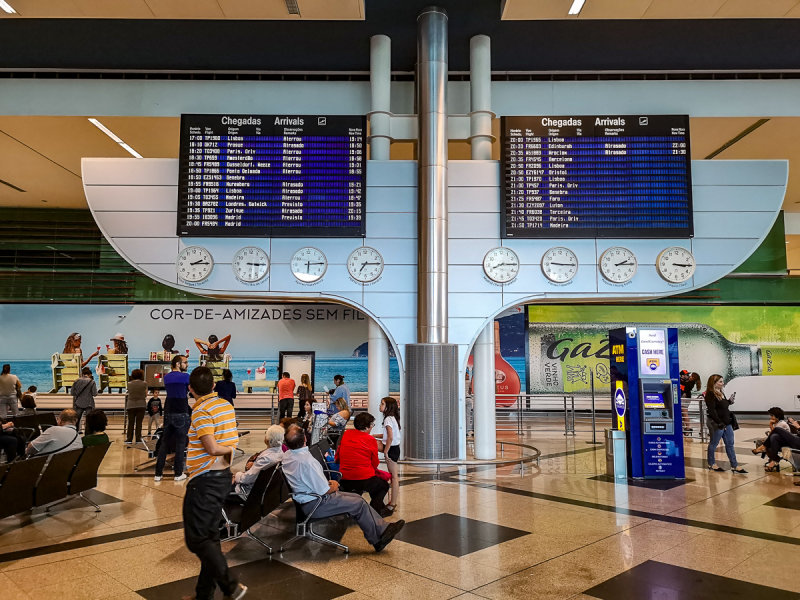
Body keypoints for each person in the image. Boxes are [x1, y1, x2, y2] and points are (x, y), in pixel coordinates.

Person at [281, 424, 405, 553]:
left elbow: (310, 481)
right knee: (358, 503)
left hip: (310, 499)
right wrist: (334, 484)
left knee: (357, 498)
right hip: (317, 503)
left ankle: (381, 531)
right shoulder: (306, 461)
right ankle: (378, 538)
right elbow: (324, 490)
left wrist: (327, 484)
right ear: (305, 439)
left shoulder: (289, 455)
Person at [183, 366, 246, 600]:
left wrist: (228, 451)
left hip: (204, 480)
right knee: (210, 537)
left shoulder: (201, 411)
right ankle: (203, 595)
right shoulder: (226, 405)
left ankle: (231, 585)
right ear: (213, 386)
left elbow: (211, 447)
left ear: (190, 389)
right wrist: (230, 455)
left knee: (197, 539)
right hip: (221, 478)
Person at [338, 412, 391, 516]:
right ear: (367, 427)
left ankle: (379, 508)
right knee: (383, 485)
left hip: (344, 478)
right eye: (372, 425)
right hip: (362, 478)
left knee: (375, 484)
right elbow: (375, 463)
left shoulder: (346, 434)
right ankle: (374, 511)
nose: (372, 427)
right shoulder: (370, 439)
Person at [155, 354, 191, 482]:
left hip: (169, 409)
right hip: (181, 409)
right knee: (181, 443)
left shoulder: (167, 377)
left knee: (165, 443)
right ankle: (178, 474)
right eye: (185, 362)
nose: (187, 365)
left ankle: (158, 474)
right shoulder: (186, 376)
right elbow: (190, 390)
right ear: (177, 364)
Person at [704, 374, 747, 474]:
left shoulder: (720, 392)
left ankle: (734, 465)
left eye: (722, 381)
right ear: (714, 383)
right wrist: (719, 423)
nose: (722, 383)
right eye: (720, 382)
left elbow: (723, 406)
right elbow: (712, 411)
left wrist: (729, 401)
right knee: (714, 444)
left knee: (730, 444)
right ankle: (711, 463)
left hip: (727, 422)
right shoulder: (710, 394)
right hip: (717, 423)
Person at [232, 425, 284, 500]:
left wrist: (236, 475)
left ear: (268, 440)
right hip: (266, 491)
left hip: (247, 492)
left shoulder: (266, 458)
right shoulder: (281, 453)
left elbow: (246, 479)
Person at [377, 396, 401, 512]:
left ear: (388, 407)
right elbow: (387, 435)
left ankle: (393, 503)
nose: (380, 406)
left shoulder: (387, 419)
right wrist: (374, 436)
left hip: (391, 448)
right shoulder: (392, 418)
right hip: (394, 448)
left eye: (382, 404)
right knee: (394, 477)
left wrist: (386, 452)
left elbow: (390, 437)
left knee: (394, 477)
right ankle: (393, 502)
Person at [71, 367, 97, 433]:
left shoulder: (76, 381)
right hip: (89, 403)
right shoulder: (92, 382)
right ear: (89, 374)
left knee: (77, 419)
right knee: (89, 420)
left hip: (78, 403)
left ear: (82, 374)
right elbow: (94, 394)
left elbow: (72, 393)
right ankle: (88, 434)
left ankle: (75, 433)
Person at [125, 369, 148, 443]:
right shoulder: (144, 383)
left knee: (130, 423)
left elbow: (128, 392)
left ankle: (129, 439)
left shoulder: (129, 384)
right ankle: (138, 439)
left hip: (131, 405)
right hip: (141, 405)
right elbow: (145, 394)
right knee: (139, 423)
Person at [679, 371, 701, 435]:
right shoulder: (689, 382)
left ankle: (687, 429)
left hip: (685, 399)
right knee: (683, 413)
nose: (688, 376)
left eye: (690, 375)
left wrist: (681, 378)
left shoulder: (690, 383)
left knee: (684, 413)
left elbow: (684, 386)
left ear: (693, 377)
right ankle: (685, 428)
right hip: (685, 398)